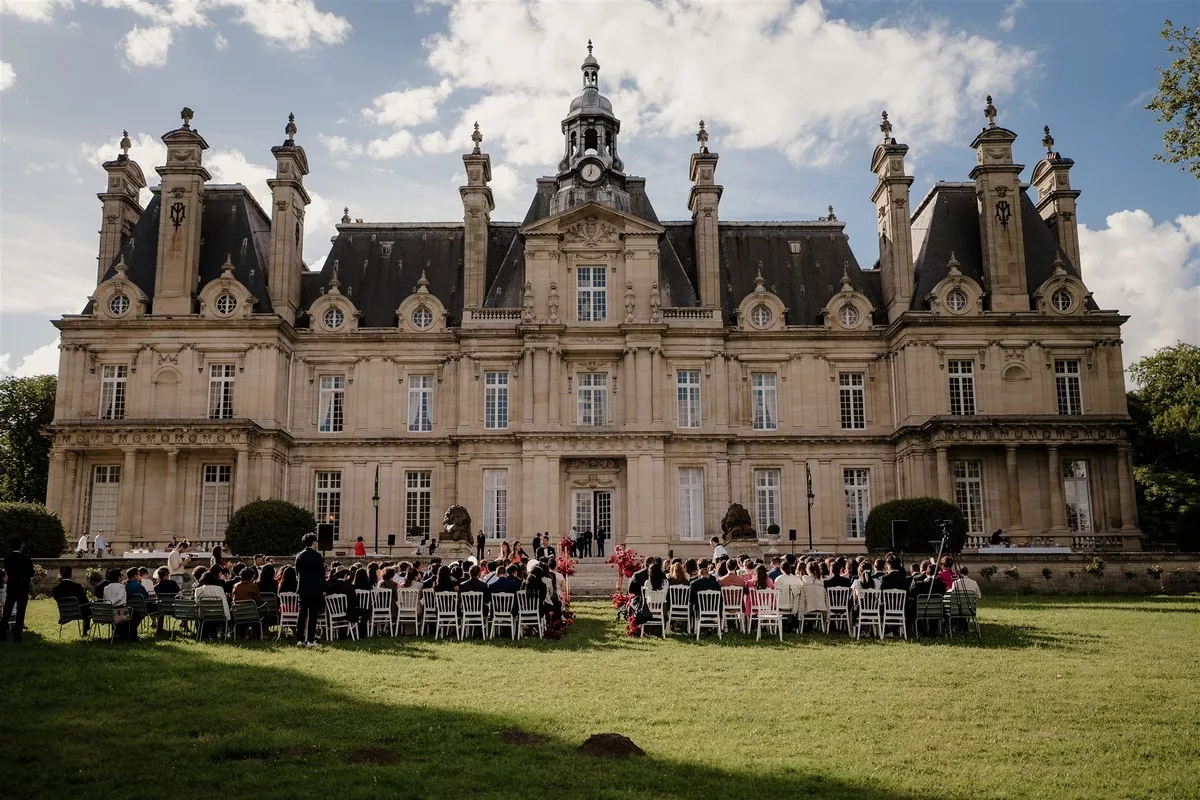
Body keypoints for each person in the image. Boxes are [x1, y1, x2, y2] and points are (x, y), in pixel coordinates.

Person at [0, 539, 34, 642]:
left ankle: (2, 634)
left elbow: (7, 572)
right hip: (23, 588)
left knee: (7, 611)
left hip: (12, 587)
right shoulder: (26, 559)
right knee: (20, 612)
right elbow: (31, 573)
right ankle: (17, 635)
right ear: (20, 546)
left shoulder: (8, 559)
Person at [295, 532, 325, 647]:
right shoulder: (317, 556)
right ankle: (311, 640)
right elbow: (322, 574)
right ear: (313, 542)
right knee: (313, 615)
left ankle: (300, 639)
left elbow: (297, 572)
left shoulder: (300, 555)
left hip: (302, 588)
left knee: (302, 614)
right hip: (314, 588)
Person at [51, 565, 92, 637]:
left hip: (65, 613)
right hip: (78, 613)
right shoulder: (77, 587)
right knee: (88, 608)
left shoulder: (55, 589)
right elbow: (84, 601)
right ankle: (85, 632)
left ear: (61, 575)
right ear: (70, 574)